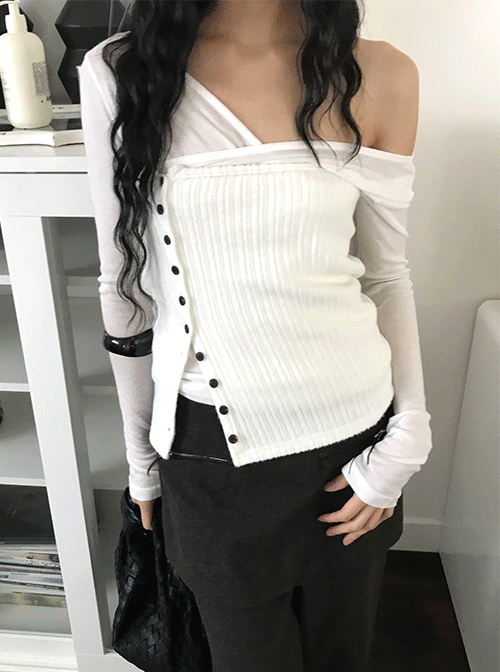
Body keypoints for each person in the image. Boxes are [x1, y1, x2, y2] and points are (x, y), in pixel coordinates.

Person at [79, 1, 433, 670]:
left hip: (358, 446)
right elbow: (125, 288)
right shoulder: (123, 72)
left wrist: (409, 432)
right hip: (213, 455)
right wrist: (141, 462)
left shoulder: (379, 73)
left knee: (342, 654)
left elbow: (387, 275)